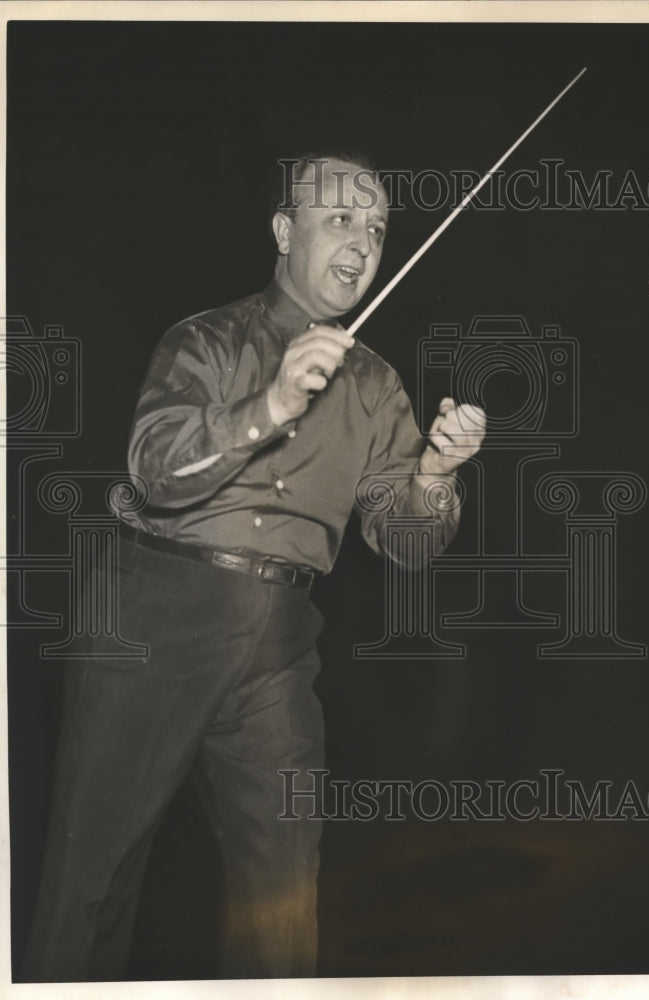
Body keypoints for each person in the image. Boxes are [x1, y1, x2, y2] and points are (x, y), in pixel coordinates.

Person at [23, 152, 486, 981]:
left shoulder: (378, 388)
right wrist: (270, 404)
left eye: (377, 227)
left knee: (282, 895)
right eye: (340, 218)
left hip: (278, 637)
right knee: (91, 880)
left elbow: (406, 546)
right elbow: (151, 469)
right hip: (153, 613)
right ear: (284, 231)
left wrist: (434, 479)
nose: (362, 242)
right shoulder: (205, 338)